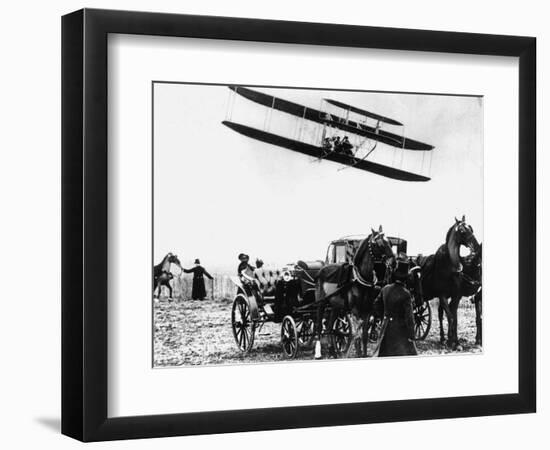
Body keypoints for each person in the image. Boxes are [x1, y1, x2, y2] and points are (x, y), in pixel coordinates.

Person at [373, 258, 417, 357]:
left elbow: (376, 305)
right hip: (400, 331)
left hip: (385, 328)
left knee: (383, 353)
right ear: (405, 278)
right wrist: (411, 336)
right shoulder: (406, 294)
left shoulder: (385, 289)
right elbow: (409, 318)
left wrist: (384, 317)